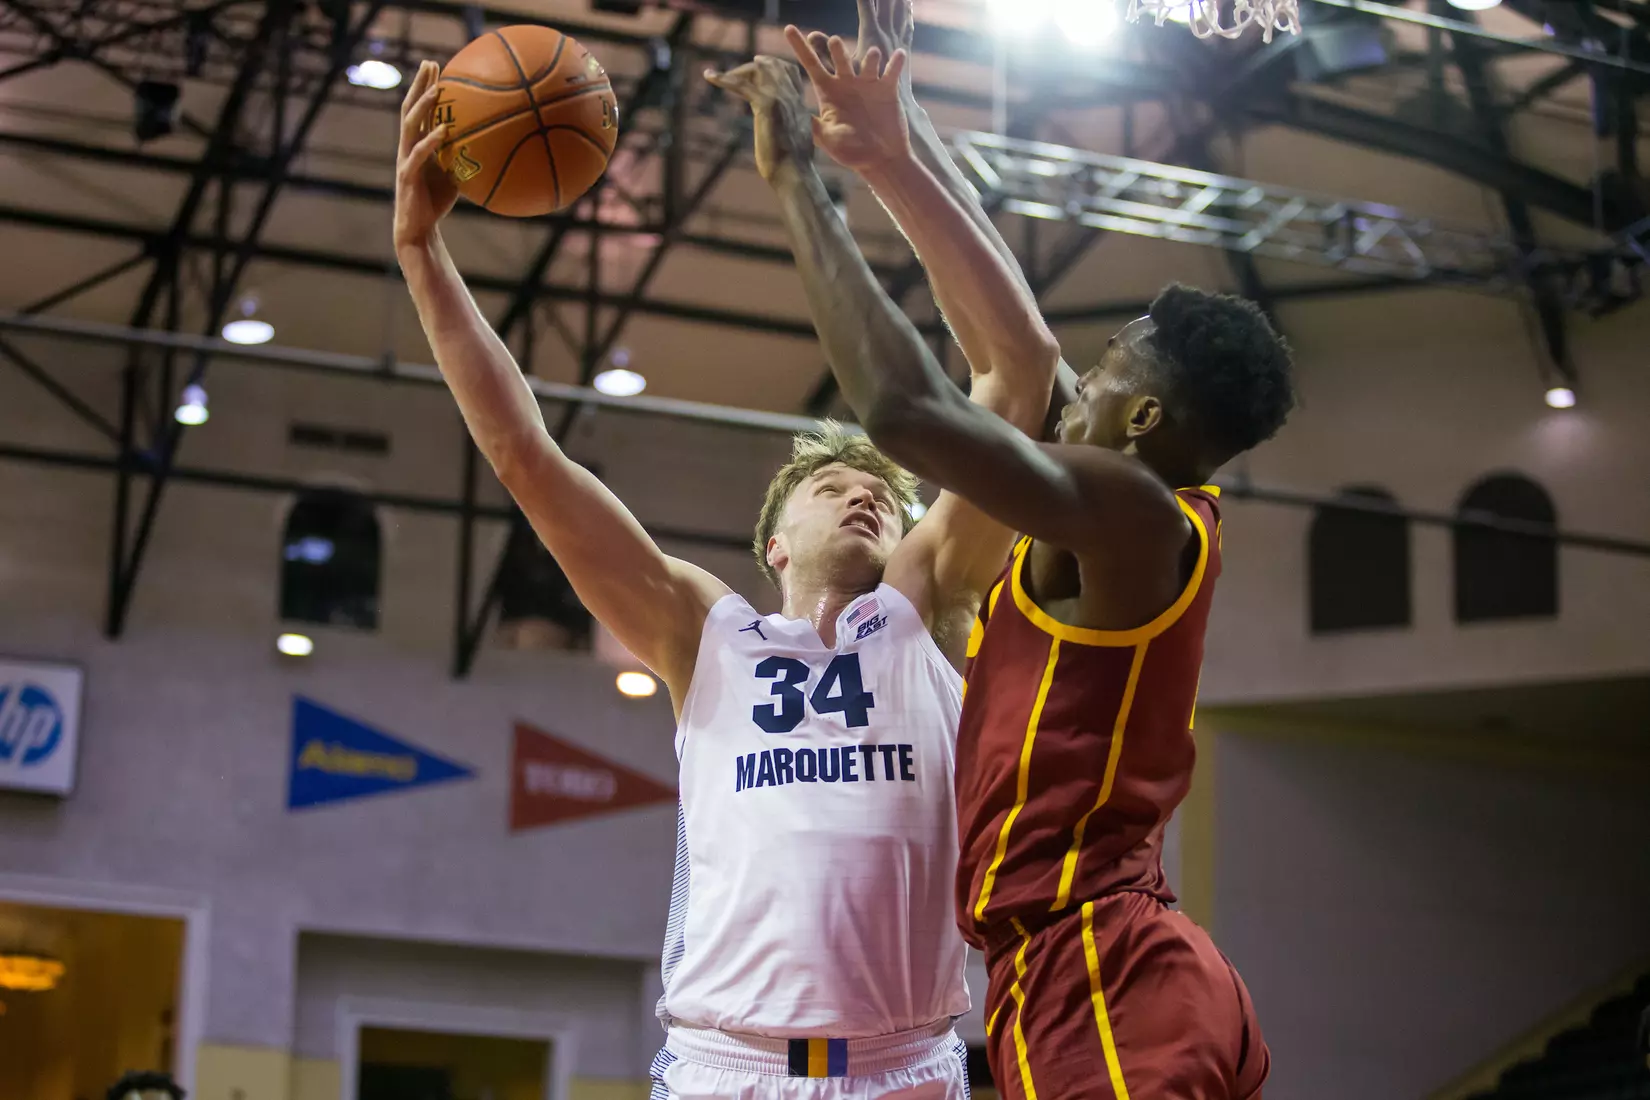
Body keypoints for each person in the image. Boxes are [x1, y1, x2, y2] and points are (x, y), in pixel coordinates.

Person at [392, 54, 1057, 1099]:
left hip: (906, 1068)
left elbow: (1018, 376)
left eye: (883, 487)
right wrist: (424, 256)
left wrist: (893, 153)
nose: (866, 493)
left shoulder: (924, 601)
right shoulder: (709, 631)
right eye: (834, 482)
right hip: (726, 1068)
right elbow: (529, 456)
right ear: (773, 544)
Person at [706, 10, 1295, 1096]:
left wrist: (799, 176)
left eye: (1110, 368)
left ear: (1146, 414)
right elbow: (1013, 344)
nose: (1085, 378)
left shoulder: (1130, 510)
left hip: (1107, 970)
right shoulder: (1118, 498)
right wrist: (897, 140)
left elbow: (902, 407)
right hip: (1080, 966)